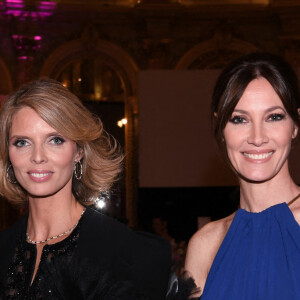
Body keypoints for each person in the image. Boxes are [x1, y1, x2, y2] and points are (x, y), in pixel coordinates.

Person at [0, 78, 171, 299]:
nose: (38, 157)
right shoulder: (3, 249)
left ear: (79, 151)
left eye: (55, 140)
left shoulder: (127, 253)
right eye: (22, 142)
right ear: (8, 154)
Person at [184, 52, 300, 299]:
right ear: (221, 129)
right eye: (239, 119)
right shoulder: (203, 246)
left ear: (295, 126)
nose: (257, 137)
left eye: (274, 117)